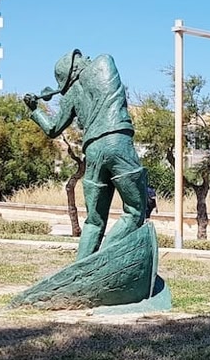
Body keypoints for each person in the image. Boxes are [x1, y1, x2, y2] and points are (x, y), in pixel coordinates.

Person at [24, 49, 148, 260]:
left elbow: (53, 129)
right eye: (80, 58)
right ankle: (102, 262)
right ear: (74, 69)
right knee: (136, 210)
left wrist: (36, 110)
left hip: (92, 151)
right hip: (117, 141)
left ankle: (81, 268)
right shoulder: (103, 61)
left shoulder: (70, 95)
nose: (87, 58)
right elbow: (98, 71)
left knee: (94, 221)